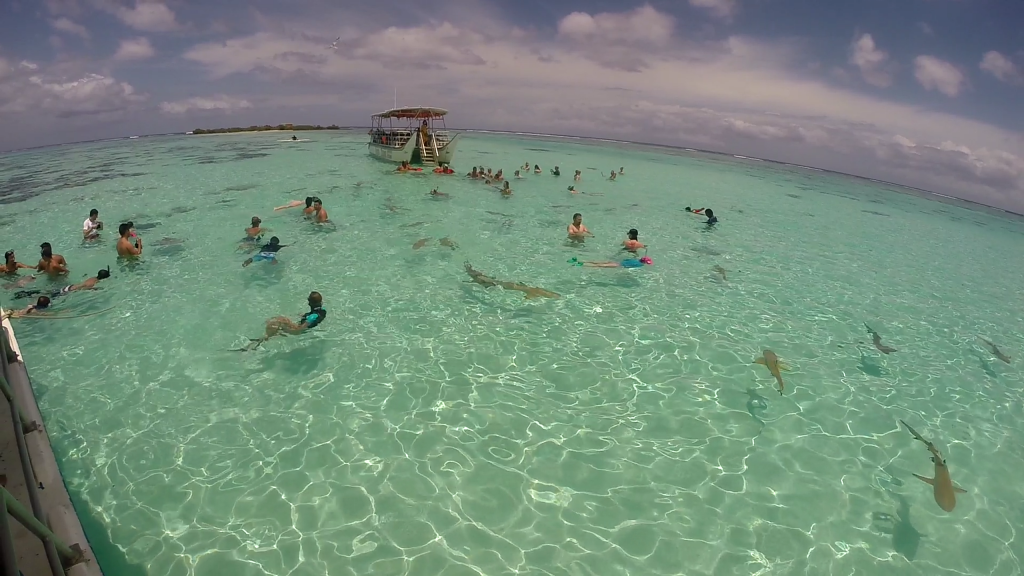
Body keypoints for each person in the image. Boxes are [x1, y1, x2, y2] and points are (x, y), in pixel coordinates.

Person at [235, 291, 326, 351]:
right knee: (279, 320)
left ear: (309, 303)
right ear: (321, 302)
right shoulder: (321, 311)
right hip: (300, 327)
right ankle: (262, 340)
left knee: (276, 323)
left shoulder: (312, 317)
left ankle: (258, 342)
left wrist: (287, 329)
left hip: (298, 330)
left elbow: (300, 329)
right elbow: (311, 317)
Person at [14, 268, 111, 300]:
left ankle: (26, 293)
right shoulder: (94, 283)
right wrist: (96, 289)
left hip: (69, 287)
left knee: (47, 292)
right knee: (47, 295)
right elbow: (85, 288)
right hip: (68, 291)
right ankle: (25, 295)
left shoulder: (93, 278)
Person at [569, 256, 653, 268]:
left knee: (598, 263)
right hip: (618, 265)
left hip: (617, 261)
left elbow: (626, 260)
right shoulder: (640, 265)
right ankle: (582, 265)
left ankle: (581, 261)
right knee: (600, 266)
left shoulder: (635, 260)